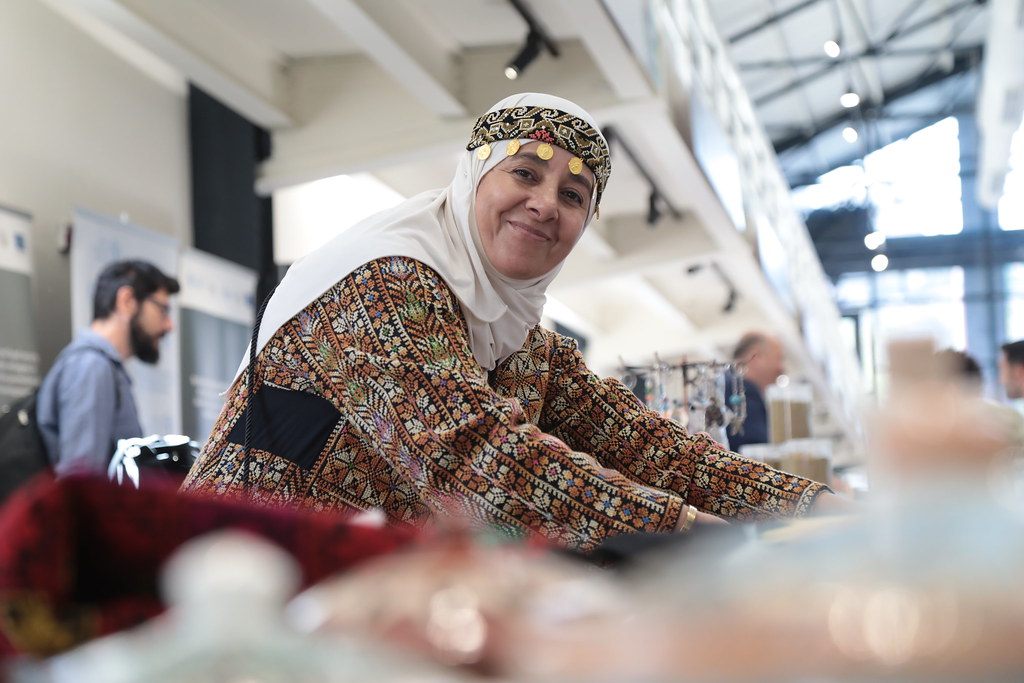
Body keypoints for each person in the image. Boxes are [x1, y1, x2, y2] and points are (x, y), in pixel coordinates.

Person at [182, 93, 846, 552]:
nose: (544, 205)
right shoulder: (386, 280)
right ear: (473, 176)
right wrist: (677, 527)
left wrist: (809, 503)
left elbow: (648, 445)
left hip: (361, 600)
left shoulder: (519, 338)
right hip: (235, 584)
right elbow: (474, 460)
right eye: (524, 172)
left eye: (573, 195)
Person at [36, 259, 179, 477]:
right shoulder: (92, 366)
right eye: (163, 310)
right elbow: (81, 483)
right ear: (127, 300)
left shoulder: (99, 367)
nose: (169, 325)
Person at [726, 331, 785, 453]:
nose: (782, 368)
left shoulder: (723, 385)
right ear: (756, 355)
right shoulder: (742, 393)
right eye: (778, 358)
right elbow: (758, 452)